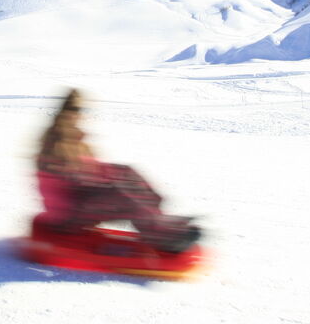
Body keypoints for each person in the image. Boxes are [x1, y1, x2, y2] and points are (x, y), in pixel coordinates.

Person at [36, 89, 201, 254]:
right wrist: (106, 184)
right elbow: (60, 181)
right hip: (67, 214)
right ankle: (163, 238)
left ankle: (159, 222)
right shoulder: (56, 142)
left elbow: (93, 169)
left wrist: (121, 175)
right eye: (78, 110)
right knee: (122, 195)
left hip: (79, 200)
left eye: (84, 110)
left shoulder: (75, 140)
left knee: (127, 173)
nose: (82, 115)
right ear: (68, 112)